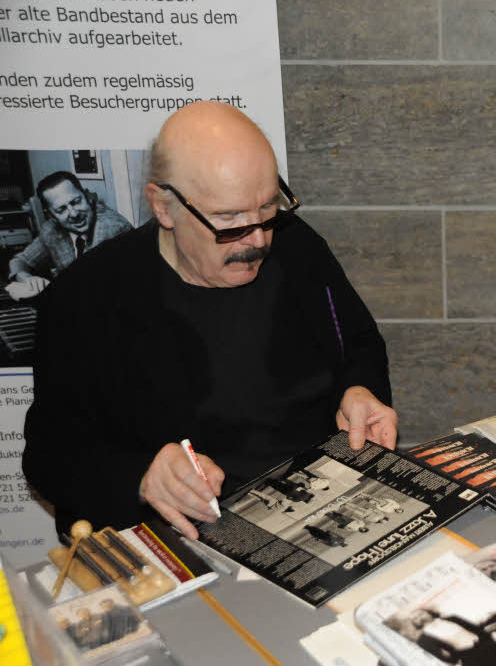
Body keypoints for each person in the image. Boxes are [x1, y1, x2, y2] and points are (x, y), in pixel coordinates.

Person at [22, 101, 398, 540]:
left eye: (266, 210)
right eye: (228, 220)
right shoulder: (86, 296)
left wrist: (359, 389)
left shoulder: (297, 248)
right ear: (163, 206)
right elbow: (50, 454)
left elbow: (358, 341)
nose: (257, 240)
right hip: (185, 538)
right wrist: (140, 477)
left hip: (320, 514)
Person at [6, 170, 132, 299]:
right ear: (51, 216)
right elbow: (20, 260)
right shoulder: (51, 230)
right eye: (61, 210)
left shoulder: (112, 229)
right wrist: (26, 278)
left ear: (88, 197)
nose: (74, 214)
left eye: (76, 202)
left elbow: (88, 288)